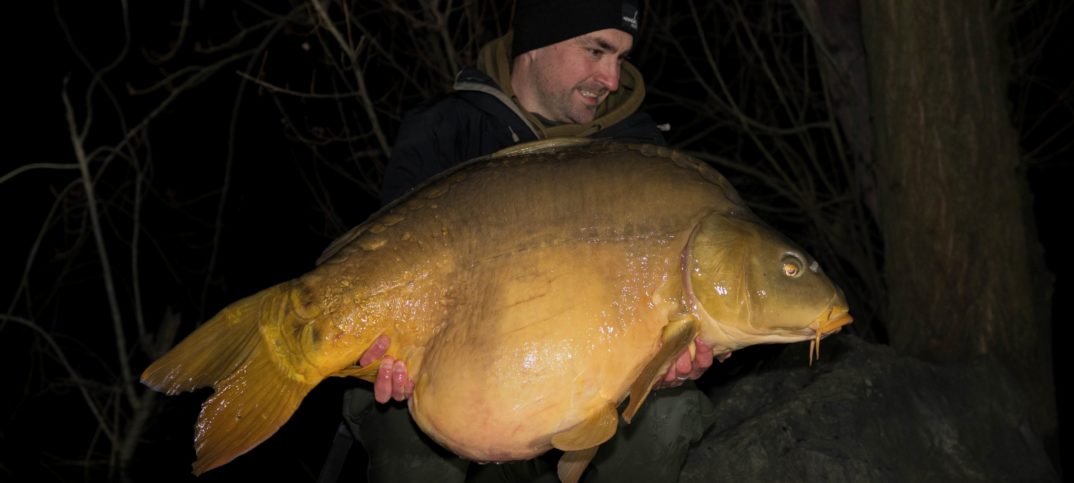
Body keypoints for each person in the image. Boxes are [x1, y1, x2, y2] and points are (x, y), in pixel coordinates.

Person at [318, 1, 725, 481]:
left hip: (586, 388)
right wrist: (384, 356)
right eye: (596, 51)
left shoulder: (638, 156)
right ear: (536, 43)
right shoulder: (445, 127)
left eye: (621, 58)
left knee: (670, 415)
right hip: (457, 382)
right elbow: (390, 275)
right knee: (404, 433)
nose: (612, 79)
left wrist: (671, 364)